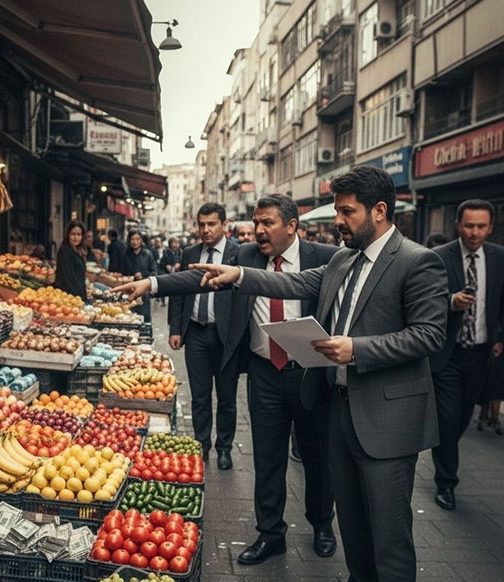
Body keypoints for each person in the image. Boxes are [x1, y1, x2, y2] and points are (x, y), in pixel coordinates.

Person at [189, 167, 447, 582]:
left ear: (379, 211)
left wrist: (358, 349)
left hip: (388, 419)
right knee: (352, 521)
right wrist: (239, 274)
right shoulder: (345, 261)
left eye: (347, 211)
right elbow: (290, 280)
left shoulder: (418, 262)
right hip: (341, 408)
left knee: (389, 539)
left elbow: (430, 335)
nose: (340, 220)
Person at [115, 194, 339, 562]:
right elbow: (200, 276)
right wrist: (153, 284)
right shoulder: (247, 255)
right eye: (256, 222)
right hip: (265, 372)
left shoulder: (324, 258)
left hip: (310, 373)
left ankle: (321, 524)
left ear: (292, 226)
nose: (259, 230)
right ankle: (270, 533)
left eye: (268, 223)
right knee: (267, 458)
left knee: (316, 457)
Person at [427, 199, 504, 511]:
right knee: (448, 420)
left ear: (490, 227)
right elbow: (425, 300)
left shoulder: (501, 257)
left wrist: (501, 337)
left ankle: (445, 454)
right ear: (458, 225)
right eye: (469, 226)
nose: (474, 232)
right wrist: (451, 302)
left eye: (481, 226)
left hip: (481, 354)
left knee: (463, 416)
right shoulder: (439, 257)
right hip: (448, 353)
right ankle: (446, 482)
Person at [164, 203, 240, 469]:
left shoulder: (237, 253)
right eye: (202, 224)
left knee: (227, 397)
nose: (206, 230)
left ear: (224, 225)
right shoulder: (190, 253)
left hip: (226, 337)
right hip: (195, 333)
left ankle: (225, 448)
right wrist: (176, 329)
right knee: (200, 396)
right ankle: (202, 445)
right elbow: (179, 291)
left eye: (211, 224)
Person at [120, 230, 157, 322]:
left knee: (144, 318)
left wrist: (144, 275)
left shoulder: (148, 254)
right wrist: (129, 277)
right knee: (128, 318)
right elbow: (120, 273)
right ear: (129, 240)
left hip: (143, 293)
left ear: (141, 240)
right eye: (132, 239)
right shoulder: (125, 254)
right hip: (128, 292)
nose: (135, 242)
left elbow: (154, 272)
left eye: (137, 239)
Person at [54, 221, 88, 302]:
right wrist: (78, 299)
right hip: (68, 298)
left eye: (79, 234)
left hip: (78, 296)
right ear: (68, 235)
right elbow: (68, 277)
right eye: (73, 234)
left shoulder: (78, 251)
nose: (76, 238)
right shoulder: (65, 251)